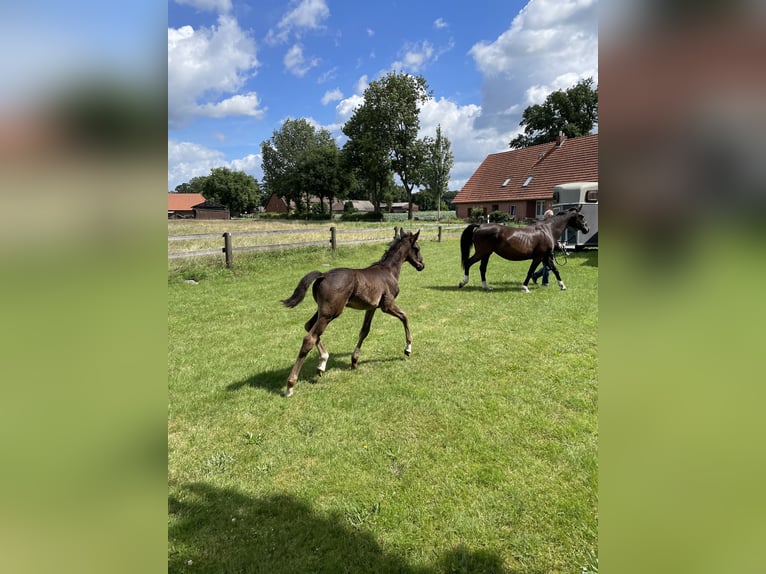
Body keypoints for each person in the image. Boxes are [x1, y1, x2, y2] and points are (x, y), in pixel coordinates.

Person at [531, 209, 559, 286]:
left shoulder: (551, 225)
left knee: (549, 266)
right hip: (543, 249)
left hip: (549, 248)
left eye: (552, 216)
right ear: (546, 216)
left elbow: (553, 236)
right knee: (548, 266)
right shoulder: (542, 225)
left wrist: (558, 242)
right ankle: (545, 283)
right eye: (550, 216)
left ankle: (535, 276)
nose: (552, 217)